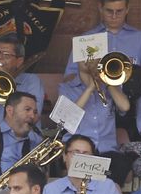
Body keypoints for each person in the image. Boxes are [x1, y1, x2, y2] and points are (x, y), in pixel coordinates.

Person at [55, 53, 135, 184]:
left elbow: (125, 107)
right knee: (97, 176)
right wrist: (90, 88)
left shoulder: (111, 86)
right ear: (76, 61)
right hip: (78, 152)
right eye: (84, 56)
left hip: (107, 153)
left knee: (117, 169)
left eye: (94, 56)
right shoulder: (66, 88)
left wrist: (107, 81)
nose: (89, 60)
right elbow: (65, 120)